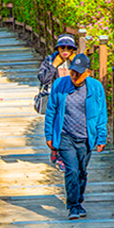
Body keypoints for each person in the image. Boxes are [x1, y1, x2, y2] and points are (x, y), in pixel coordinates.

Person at [44, 53, 108, 220]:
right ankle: (73, 205)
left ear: (87, 72)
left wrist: (101, 137)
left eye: (78, 73)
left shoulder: (95, 87)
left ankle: (78, 201)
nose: (74, 76)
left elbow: (101, 114)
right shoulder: (60, 84)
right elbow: (51, 111)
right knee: (71, 170)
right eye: (72, 71)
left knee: (81, 171)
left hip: (86, 137)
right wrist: (49, 135)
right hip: (66, 135)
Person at [37, 34, 77, 171]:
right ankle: (57, 152)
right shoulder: (50, 60)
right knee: (57, 127)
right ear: (57, 48)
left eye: (69, 48)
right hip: (56, 99)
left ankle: (63, 154)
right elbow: (43, 78)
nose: (65, 50)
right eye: (62, 47)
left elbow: (86, 76)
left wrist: (77, 63)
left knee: (69, 128)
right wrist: (54, 65)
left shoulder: (77, 61)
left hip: (74, 100)